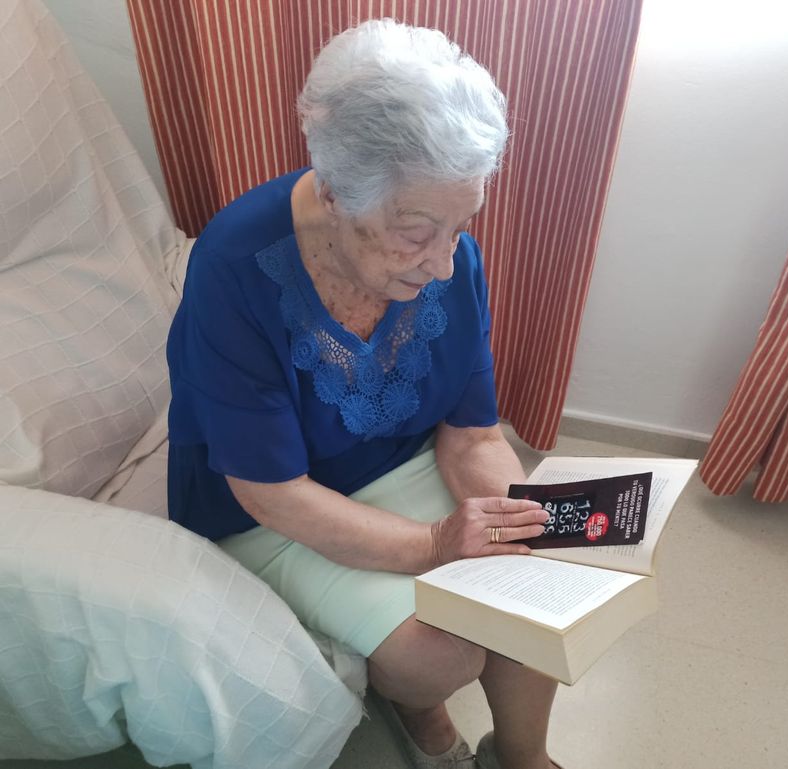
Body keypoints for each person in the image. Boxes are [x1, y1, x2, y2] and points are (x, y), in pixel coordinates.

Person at [166, 18, 563, 769]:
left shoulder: (449, 255)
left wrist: (532, 532)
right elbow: (270, 492)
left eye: (461, 224)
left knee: (531, 585)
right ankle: (420, 703)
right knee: (441, 656)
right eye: (418, 230)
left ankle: (522, 758)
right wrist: (435, 546)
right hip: (276, 505)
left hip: (400, 457)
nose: (446, 262)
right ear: (339, 194)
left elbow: (473, 436)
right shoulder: (234, 265)